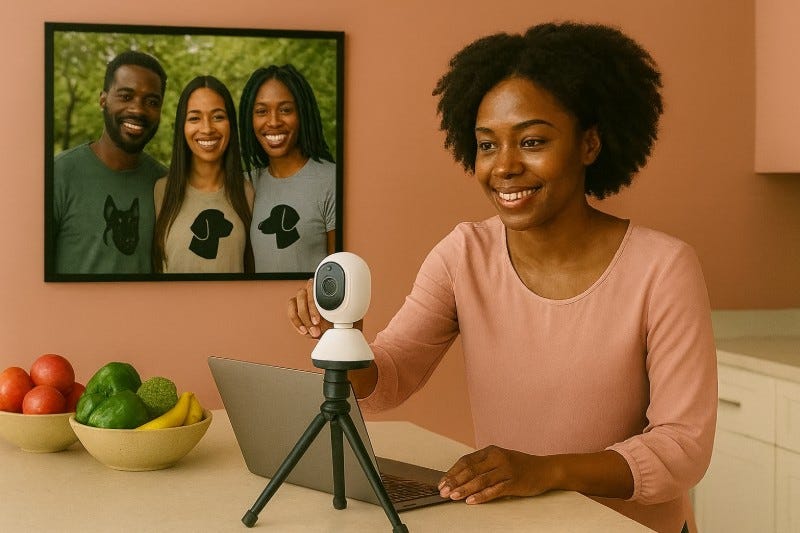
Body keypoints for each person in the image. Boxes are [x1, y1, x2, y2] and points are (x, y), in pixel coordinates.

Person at [287, 22, 717, 533]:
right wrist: (344, 337)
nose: (504, 166)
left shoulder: (663, 268)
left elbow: (682, 448)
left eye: (532, 141)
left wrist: (546, 470)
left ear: (591, 144)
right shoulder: (463, 254)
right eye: (487, 145)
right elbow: (389, 379)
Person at [53, 50, 167, 274]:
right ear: (103, 100)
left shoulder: (166, 183)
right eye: (125, 96)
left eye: (152, 101)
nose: (137, 109)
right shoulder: (57, 174)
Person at [239, 64, 337, 273]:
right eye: (261, 111)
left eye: (285, 110)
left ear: (302, 113)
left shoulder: (331, 181)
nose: (273, 122)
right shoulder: (246, 185)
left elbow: (340, 275)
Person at [152, 76, 254, 274]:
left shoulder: (248, 192)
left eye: (218, 117)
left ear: (231, 125)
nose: (207, 129)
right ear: (182, 127)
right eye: (194, 118)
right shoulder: (160, 191)